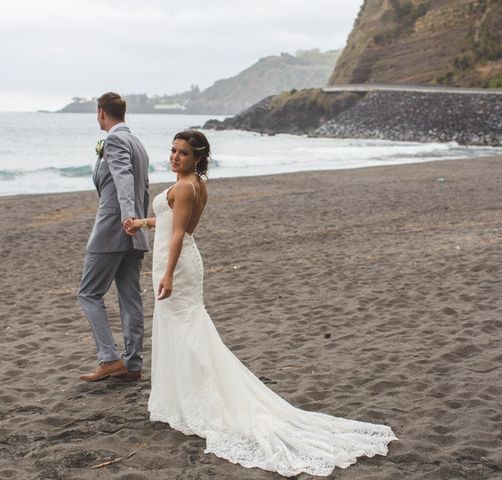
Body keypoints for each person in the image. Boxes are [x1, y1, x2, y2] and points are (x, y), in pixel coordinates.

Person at [126, 130, 396, 476]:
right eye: (173, 151)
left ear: (196, 158)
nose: (175, 157)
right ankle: (187, 396)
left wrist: (167, 273)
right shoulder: (196, 184)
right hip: (180, 262)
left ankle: (201, 401)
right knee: (185, 329)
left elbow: (178, 233)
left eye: (182, 153)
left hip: (176, 265)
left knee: (188, 332)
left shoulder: (184, 186)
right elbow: (170, 221)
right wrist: (142, 223)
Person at [77, 92, 150, 382]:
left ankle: (109, 358)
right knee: (130, 297)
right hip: (133, 233)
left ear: (101, 112)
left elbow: (123, 178)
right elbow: (143, 187)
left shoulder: (116, 140)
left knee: (89, 293)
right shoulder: (138, 143)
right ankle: (133, 365)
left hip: (114, 229)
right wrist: (138, 222)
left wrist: (127, 218)